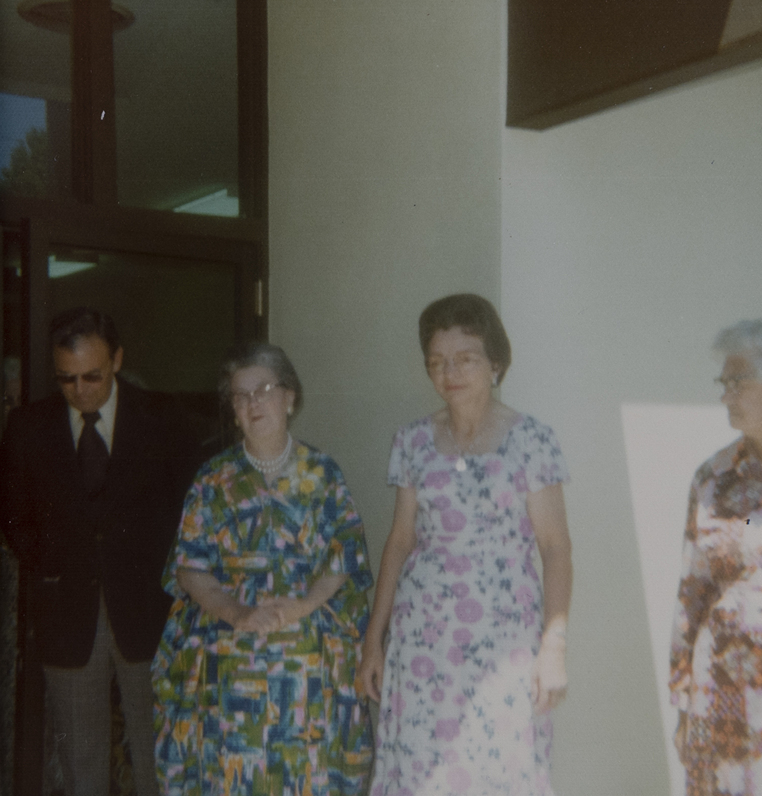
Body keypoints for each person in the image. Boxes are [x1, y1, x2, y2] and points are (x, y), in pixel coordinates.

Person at [360, 294, 573, 796]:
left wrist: (554, 646)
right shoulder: (412, 441)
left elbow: (556, 549)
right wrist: (374, 638)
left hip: (504, 639)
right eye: (437, 361)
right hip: (422, 640)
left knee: (499, 764)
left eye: (465, 358)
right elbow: (400, 542)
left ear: (495, 363)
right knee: (421, 768)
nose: (449, 372)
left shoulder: (532, 441)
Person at [152, 341, 375, 796]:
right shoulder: (213, 479)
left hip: (308, 640)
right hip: (228, 639)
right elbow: (190, 568)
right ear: (232, 410)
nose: (252, 403)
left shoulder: (323, 473)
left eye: (264, 390)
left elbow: (343, 559)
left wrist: (300, 606)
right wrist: (237, 613)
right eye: (240, 395)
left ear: (289, 397)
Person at [0, 307, 199, 796]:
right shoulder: (29, 426)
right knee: (81, 756)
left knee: (158, 749)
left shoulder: (165, 418)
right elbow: (13, 517)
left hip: (151, 610)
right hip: (67, 612)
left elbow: (190, 509)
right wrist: (56, 562)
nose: (81, 390)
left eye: (93, 376)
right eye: (67, 380)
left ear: (117, 360)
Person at [670, 318, 762, 795]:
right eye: (723, 383)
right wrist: (683, 703)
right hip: (725, 703)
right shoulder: (715, 479)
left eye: (738, 381)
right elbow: (692, 596)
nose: (726, 395)